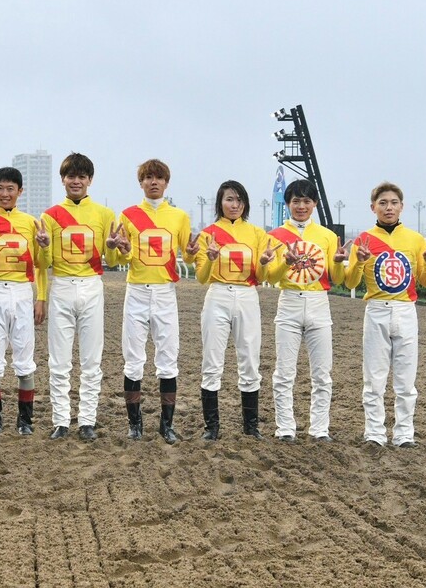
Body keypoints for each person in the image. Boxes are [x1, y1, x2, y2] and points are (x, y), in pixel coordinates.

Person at [39, 152, 128, 441]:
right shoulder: (50, 215)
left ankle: (87, 420)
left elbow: (111, 258)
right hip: (62, 286)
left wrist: (113, 247)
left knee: (91, 360)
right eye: (70, 176)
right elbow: (44, 262)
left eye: (81, 176)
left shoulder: (104, 215)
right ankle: (61, 421)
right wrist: (42, 245)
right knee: (59, 361)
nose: (76, 181)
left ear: (90, 180)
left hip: (92, 286)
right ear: (62, 179)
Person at [344, 181, 426, 448]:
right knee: (374, 379)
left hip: (406, 311)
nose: (388, 208)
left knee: (406, 381)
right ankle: (374, 433)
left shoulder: (416, 240)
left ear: (402, 207)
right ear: (373, 207)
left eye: (393, 203)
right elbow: (350, 282)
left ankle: (404, 434)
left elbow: (425, 280)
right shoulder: (363, 240)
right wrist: (360, 260)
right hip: (376, 311)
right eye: (383, 203)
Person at [117, 159, 198, 444]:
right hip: (136, 290)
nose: (153, 182)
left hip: (165, 292)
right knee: (133, 360)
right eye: (148, 178)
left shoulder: (179, 216)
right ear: (140, 182)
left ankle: (167, 425)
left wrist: (190, 252)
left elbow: (188, 256)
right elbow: (120, 257)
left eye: (159, 178)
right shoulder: (127, 215)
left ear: (166, 183)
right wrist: (123, 250)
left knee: (168, 359)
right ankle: (134, 424)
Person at [265, 180, 349, 442]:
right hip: (288, 300)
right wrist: (284, 264)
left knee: (322, 373)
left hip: (319, 303)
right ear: (288, 203)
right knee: (284, 372)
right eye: (296, 201)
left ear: (314, 204)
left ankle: (319, 428)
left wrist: (338, 262)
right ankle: (285, 428)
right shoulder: (275, 236)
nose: (301, 206)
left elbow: (336, 277)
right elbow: (272, 276)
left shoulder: (326, 236)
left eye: (306, 201)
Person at [196, 180, 278, 441]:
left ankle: (251, 427)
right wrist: (209, 260)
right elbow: (200, 277)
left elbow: (263, 275)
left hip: (247, 296)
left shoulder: (257, 234)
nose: (235, 205)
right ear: (220, 201)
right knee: (212, 362)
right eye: (230, 199)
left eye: (239, 200)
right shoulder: (207, 233)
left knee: (250, 361)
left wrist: (264, 263)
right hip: (217, 295)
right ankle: (212, 427)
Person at [0, 167, 48, 435]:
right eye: (0, 188)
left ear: (20, 191)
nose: (5, 194)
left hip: (23, 292)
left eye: (10, 189)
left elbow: (40, 264)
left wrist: (41, 297)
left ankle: (25, 421)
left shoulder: (31, 222)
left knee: (25, 358)